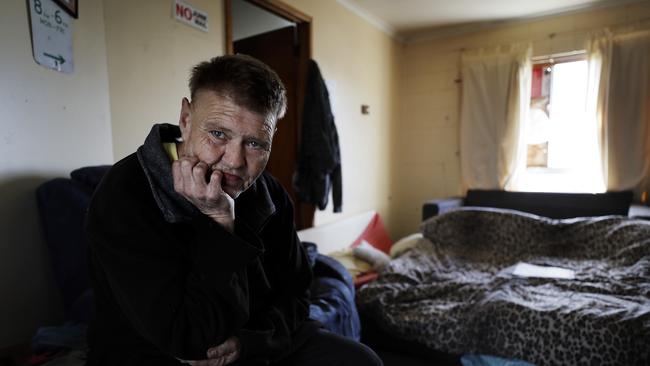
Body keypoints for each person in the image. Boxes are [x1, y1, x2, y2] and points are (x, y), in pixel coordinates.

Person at [85, 54, 383, 366]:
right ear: (186, 119)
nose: (235, 161)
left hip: (255, 343)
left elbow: (296, 296)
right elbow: (192, 340)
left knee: (361, 360)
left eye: (255, 144)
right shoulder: (125, 194)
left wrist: (250, 342)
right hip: (159, 353)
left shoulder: (271, 194)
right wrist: (219, 223)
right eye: (218, 134)